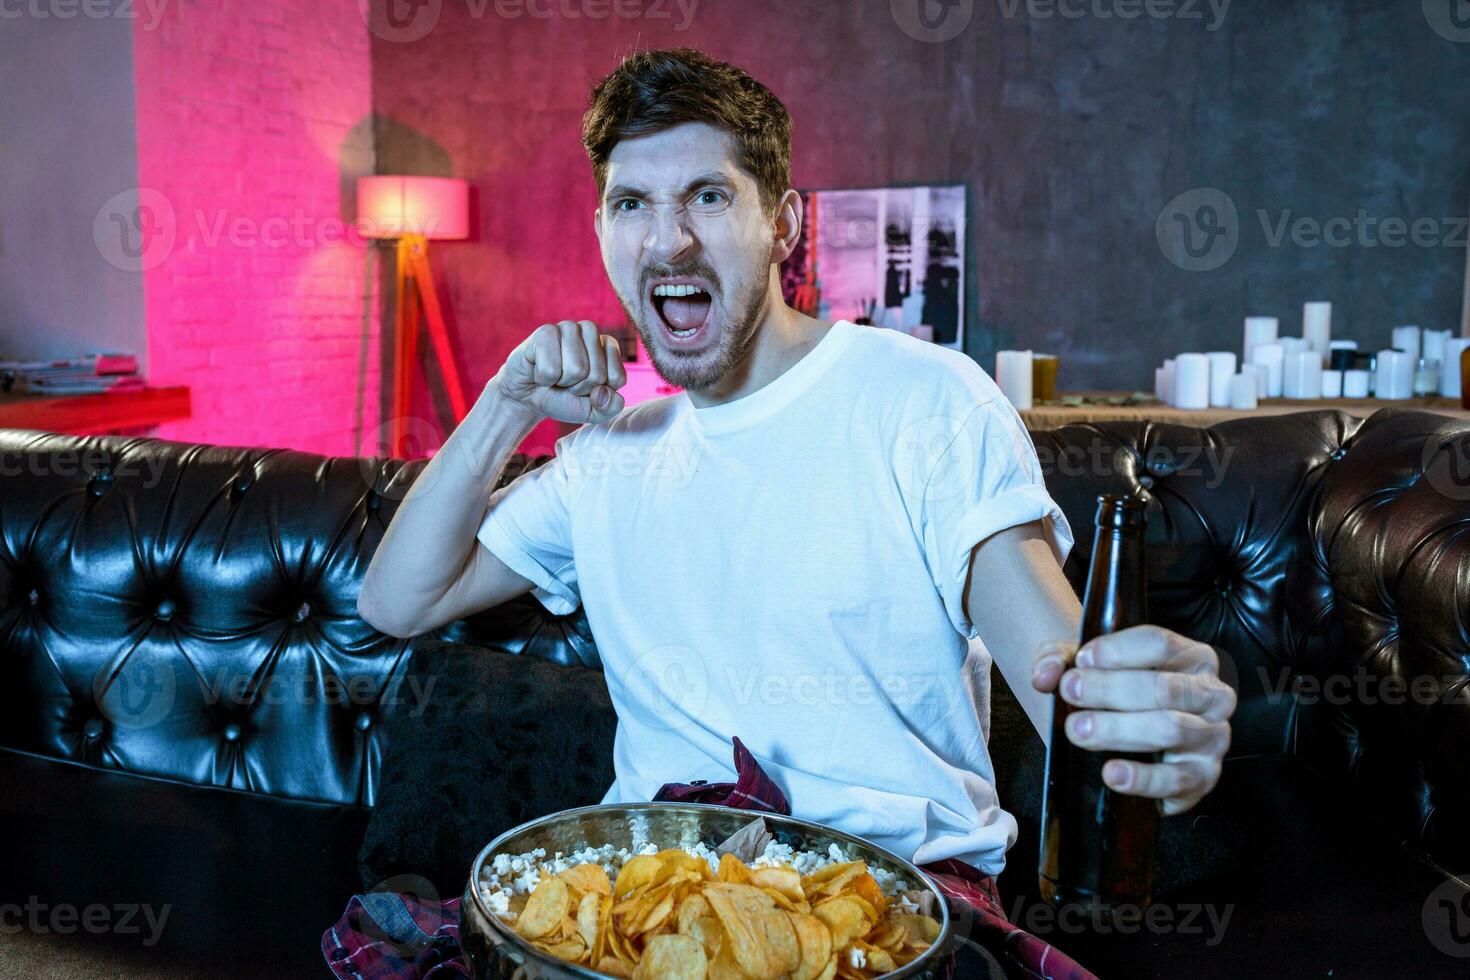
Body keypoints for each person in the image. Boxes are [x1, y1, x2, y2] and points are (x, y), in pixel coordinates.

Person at [357, 47, 1235, 979]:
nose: (667, 242)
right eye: (631, 204)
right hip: (646, 905)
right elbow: (396, 603)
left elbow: (1057, 670)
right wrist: (505, 402)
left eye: (707, 196)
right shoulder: (606, 457)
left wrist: (1135, 715)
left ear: (782, 225)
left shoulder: (925, 401)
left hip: (892, 898)